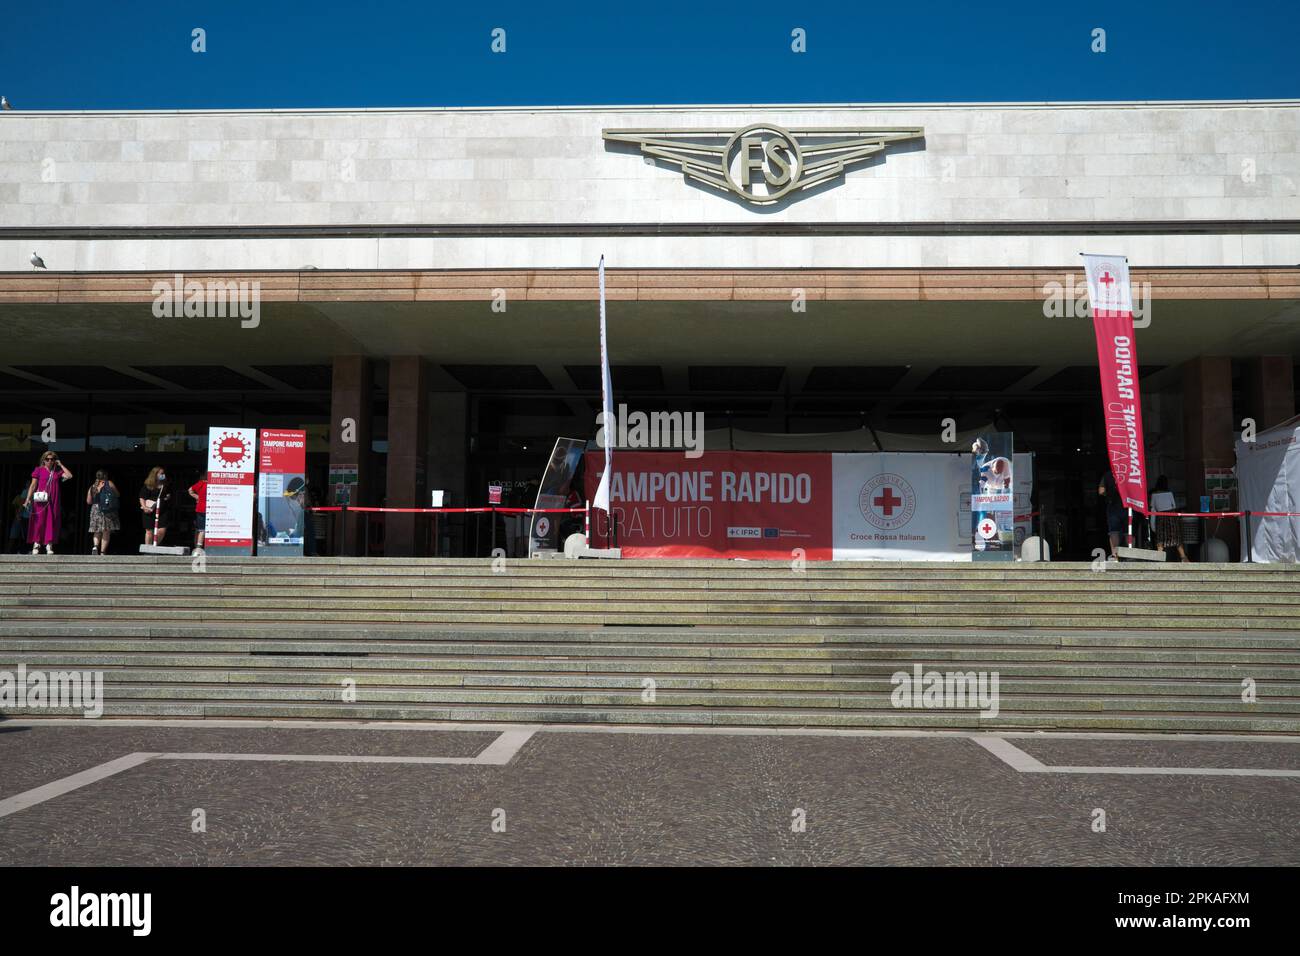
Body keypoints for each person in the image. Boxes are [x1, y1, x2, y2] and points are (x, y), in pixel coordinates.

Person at [23, 451, 72, 555]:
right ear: (43, 460)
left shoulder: (57, 471)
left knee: (52, 522)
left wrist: (60, 464)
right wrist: (27, 499)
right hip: (41, 501)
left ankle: (49, 545)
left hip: (54, 500)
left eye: (52, 459)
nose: (50, 461)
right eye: (47, 459)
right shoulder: (38, 470)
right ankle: (36, 544)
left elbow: (69, 475)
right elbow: (33, 485)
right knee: (39, 522)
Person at [1149, 475, 1188, 562]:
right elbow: (1173, 506)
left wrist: (1152, 525)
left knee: (1160, 540)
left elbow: (1153, 509)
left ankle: (1159, 560)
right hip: (1171, 517)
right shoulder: (1170, 493)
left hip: (1160, 519)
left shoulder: (1154, 495)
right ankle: (1184, 558)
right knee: (1176, 539)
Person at [86, 469, 122, 555]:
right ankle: (102, 552)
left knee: (97, 530)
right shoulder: (109, 483)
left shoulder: (92, 486)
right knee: (106, 531)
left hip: (96, 509)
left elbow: (88, 501)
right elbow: (117, 494)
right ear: (105, 476)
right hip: (107, 509)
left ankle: (95, 546)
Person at [139, 467, 176, 546]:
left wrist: (168, 497)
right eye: (161, 474)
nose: (163, 475)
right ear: (155, 474)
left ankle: (154, 546)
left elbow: (169, 495)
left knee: (162, 530)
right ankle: (148, 549)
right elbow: (142, 497)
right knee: (149, 531)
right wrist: (144, 507)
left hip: (162, 511)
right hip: (150, 510)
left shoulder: (166, 485)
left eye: (164, 473)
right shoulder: (148, 485)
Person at [1097, 469, 1126, 560]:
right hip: (1127, 504)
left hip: (1113, 505)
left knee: (1114, 531)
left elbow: (1101, 491)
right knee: (1129, 531)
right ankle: (1129, 555)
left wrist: (1108, 494)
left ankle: (1115, 555)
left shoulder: (1108, 475)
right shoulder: (1130, 472)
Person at [188, 476, 207, 550]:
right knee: (201, 529)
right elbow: (190, 490)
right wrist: (197, 497)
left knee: (200, 529)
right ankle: (198, 547)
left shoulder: (203, 483)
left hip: (208, 509)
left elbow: (190, 490)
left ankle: (197, 547)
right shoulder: (202, 483)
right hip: (202, 509)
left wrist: (197, 497)